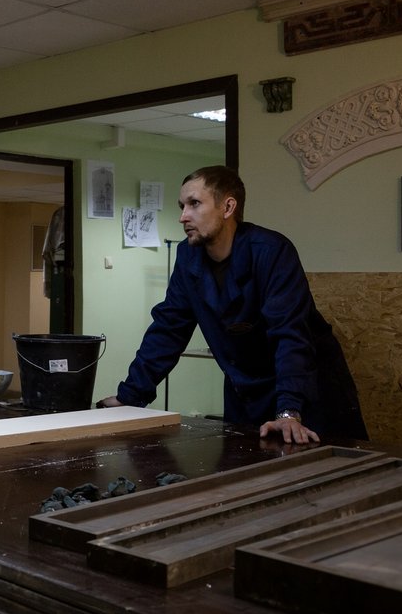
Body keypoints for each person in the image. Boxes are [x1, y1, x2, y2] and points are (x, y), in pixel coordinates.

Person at [100, 166, 367, 444]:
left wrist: (289, 411)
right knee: (243, 462)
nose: (183, 217)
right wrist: (130, 396)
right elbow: (168, 329)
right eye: (182, 206)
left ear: (228, 207)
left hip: (305, 392)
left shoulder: (271, 251)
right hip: (245, 390)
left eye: (194, 204)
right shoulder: (188, 256)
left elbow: (290, 335)